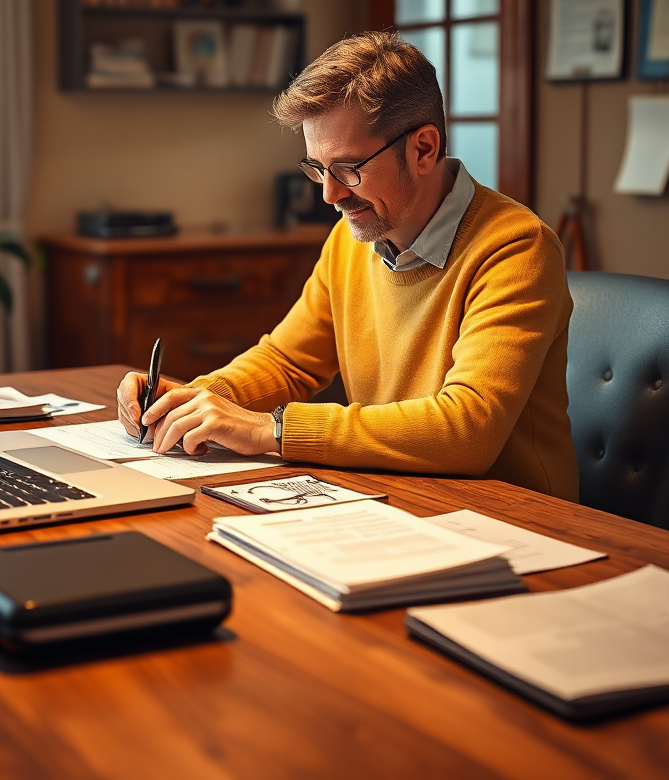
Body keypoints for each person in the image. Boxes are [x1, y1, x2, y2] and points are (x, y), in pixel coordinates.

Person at [117, 32, 578, 500]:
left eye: (348, 168)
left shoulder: (518, 248)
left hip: (513, 522)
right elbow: (288, 361)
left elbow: (467, 429)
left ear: (423, 149)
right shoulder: (354, 236)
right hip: (394, 499)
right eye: (317, 167)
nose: (329, 194)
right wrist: (195, 399)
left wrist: (272, 431)